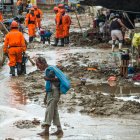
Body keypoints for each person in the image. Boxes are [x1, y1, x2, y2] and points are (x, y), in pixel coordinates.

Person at [36, 57, 63, 137]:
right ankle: (59, 130)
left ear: (43, 63)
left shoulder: (49, 69)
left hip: (54, 92)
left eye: (38, 65)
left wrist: (47, 78)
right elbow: (49, 84)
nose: (37, 67)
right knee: (54, 111)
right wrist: (46, 95)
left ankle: (46, 131)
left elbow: (58, 80)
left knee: (49, 110)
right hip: (52, 92)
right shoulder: (50, 68)